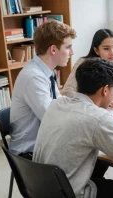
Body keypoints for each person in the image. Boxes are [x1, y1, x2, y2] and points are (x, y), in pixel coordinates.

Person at [33, 58, 113, 198]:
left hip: (41, 187)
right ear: (105, 90)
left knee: (104, 159)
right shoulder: (97, 118)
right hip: (71, 193)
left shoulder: (57, 103)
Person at [9, 21, 76, 159]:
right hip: (29, 154)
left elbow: (59, 103)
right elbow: (52, 119)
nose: (72, 52)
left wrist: (84, 106)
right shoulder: (33, 77)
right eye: (68, 47)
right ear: (53, 49)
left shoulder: (45, 71)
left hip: (44, 143)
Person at [63, 29, 113, 109]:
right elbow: (67, 92)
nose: (112, 53)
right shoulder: (83, 63)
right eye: (106, 48)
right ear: (96, 50)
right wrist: (96, 101)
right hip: (88, 110)